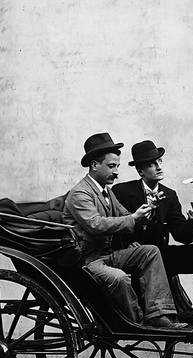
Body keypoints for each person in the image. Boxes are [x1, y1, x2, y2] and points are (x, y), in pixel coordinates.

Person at [63, 132, 184, 332]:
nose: (117, 172)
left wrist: (148, 210)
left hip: (107, 255)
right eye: (112, 166)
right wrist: (133, 218)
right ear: (94, 165)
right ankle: (137, 323)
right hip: (87, 261)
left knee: (150, 251)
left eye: (117, 166)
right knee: (119, 278)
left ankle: (158, 315)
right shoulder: (80, 193)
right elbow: (96, 225)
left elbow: (125, 215)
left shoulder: (106, 191)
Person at [112, 140, 193, 313]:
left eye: (159, 162)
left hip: (160, 256)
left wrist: (192, 221)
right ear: (141, 171)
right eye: (151, 164)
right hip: (134, 256)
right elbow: (113, 224)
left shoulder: (169, 195)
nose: (158, 167)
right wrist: (127, 244)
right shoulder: (122, 191)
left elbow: (182, 237)